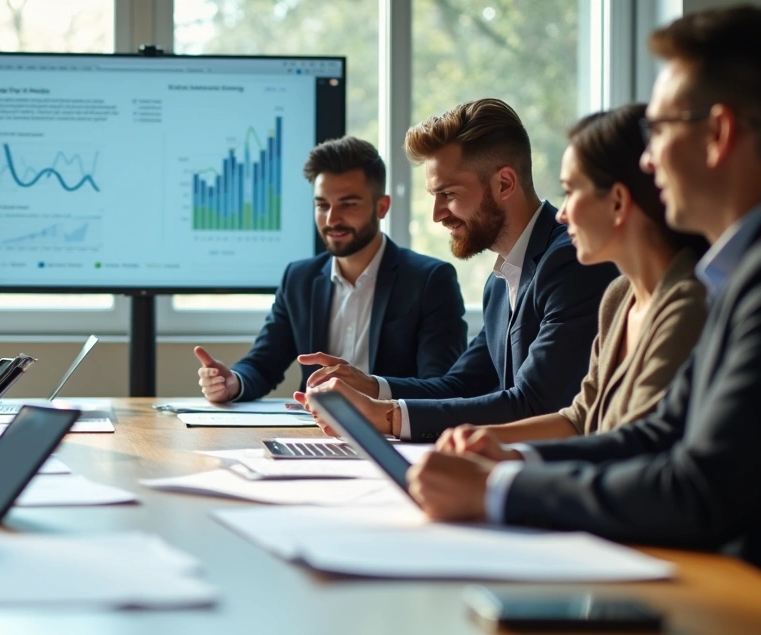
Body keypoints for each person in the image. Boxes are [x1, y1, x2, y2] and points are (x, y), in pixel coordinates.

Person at [404, 5, 761, 566]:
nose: (648, 159)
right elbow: (651, 433)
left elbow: (697, 487)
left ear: (717, 133)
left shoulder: (718, 290)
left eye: (660, 130)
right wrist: (508, 461)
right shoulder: (726, 280)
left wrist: (497, 488)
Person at [299, 99, 619, 443]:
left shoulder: (571, 263)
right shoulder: (500, 281)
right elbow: (463, 384)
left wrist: (388, 416)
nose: (437, 214)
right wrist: (374, 387)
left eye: (448, 194)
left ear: (505, 184)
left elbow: (536, 403)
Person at [436, 104, 707, 453]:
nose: (561, 214)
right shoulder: (618, 297)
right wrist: (481, 441)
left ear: (618, 202)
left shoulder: (687, 304)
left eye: (569, 192)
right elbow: (579, 418)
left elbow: (635, 448)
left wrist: (513, 467)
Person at [194, 136, 467, 403]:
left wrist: (374, 390)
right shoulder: (299, 278)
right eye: (322, 205)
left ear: (381, 207)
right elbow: (263, 364)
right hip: (313, 432)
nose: (332, 219)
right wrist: (233, 382)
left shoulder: (430, 280)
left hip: (392, 436)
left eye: (348, 204)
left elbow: (440, 388)